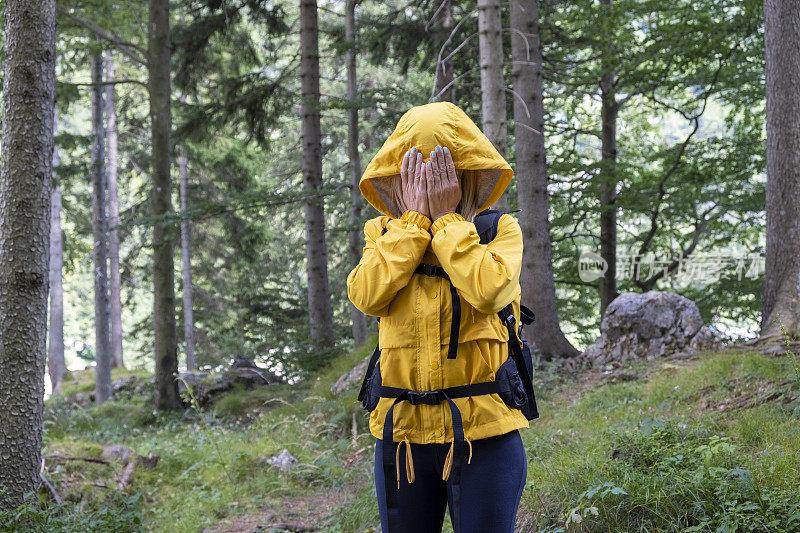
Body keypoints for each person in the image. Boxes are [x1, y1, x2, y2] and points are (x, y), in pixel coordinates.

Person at [347, 101, 528, 533]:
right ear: (398, 176)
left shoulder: (498, 231)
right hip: (401, 436)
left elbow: (488, 291)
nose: (428, 181)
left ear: (465, 171)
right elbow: (365, 294)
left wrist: (447, 219)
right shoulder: (382, 234)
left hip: (485, 436)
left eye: (442, 169)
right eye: (415, 170)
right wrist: (411, 226)